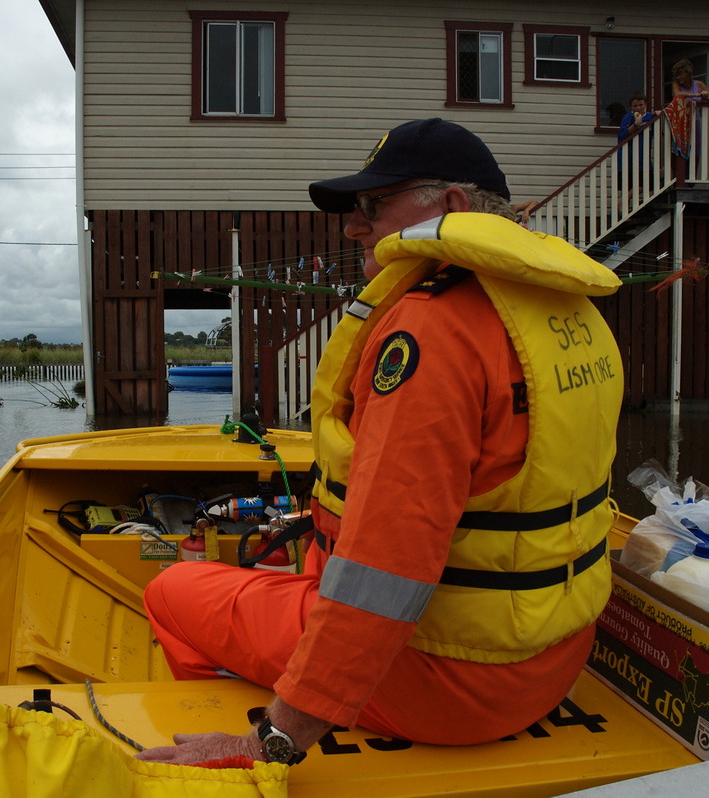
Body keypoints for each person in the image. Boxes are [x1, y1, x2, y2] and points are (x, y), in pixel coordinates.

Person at [137, 118, 624, 768]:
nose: (352, 226)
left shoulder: (432, 327)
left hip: (452, 681)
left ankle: (237, 735)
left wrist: (272, 741)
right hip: (553, 657)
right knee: (309, 567)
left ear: (451, 206)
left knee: (172, 590)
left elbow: (386, 572)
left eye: (373, 205)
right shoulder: (568, 310)